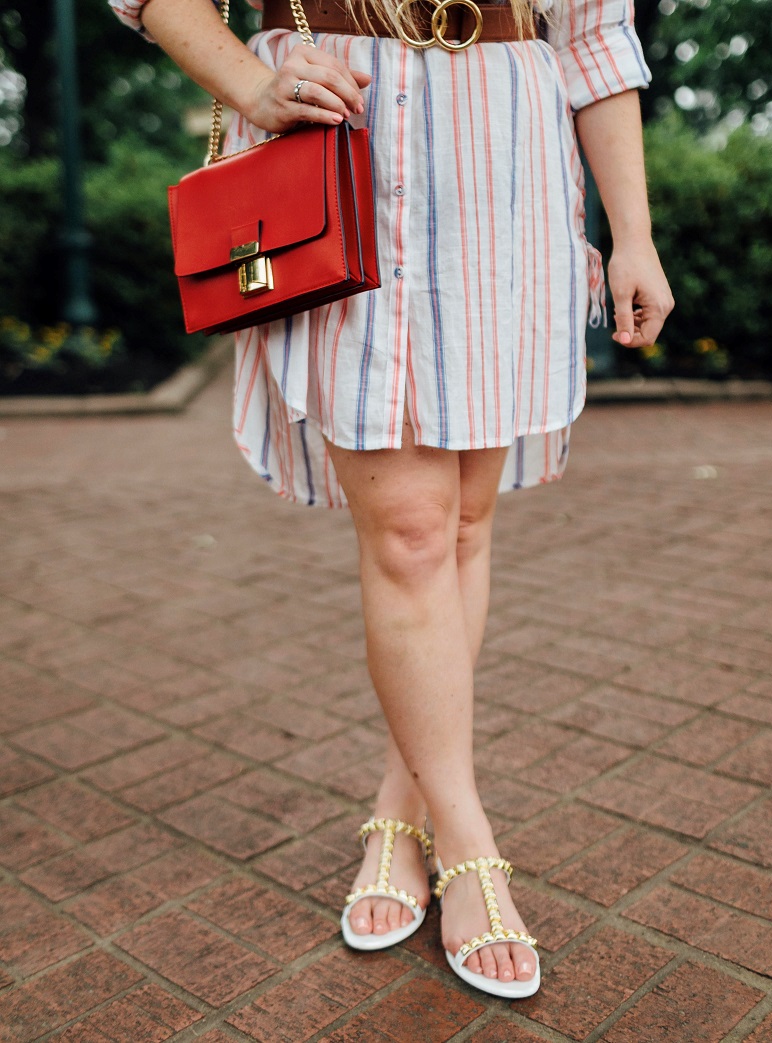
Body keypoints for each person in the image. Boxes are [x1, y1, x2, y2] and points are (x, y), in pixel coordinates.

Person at [110, 0, 673, 999]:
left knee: (460, 523)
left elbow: (591, 33)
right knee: (411, 532)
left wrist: (633, 233)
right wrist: (249, 82)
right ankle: (467, 844)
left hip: (506, 166)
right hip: (338, 145)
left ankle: (397, 804)